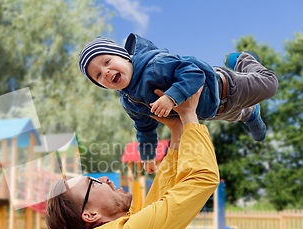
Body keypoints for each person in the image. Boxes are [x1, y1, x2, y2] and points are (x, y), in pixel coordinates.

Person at [45, 87, 220, 229]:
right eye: (93, 183)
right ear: (91, 214)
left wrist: (177, 132)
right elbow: (202, 178)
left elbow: (159, 201)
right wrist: (189, 115)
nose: (104, 179)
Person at [78, 33, 279, 173]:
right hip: (213, 111)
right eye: (98, 75)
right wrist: (147, 154)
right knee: (240, 114)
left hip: (228, 87)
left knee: (270, 85)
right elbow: (144, 127)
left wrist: (171, 97)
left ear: (124, 56)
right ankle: (252, 115)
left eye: (106, 62)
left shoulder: (155, 65)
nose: (105, 72)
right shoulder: (129, 101)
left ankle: (242, 60)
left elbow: (194, 72)